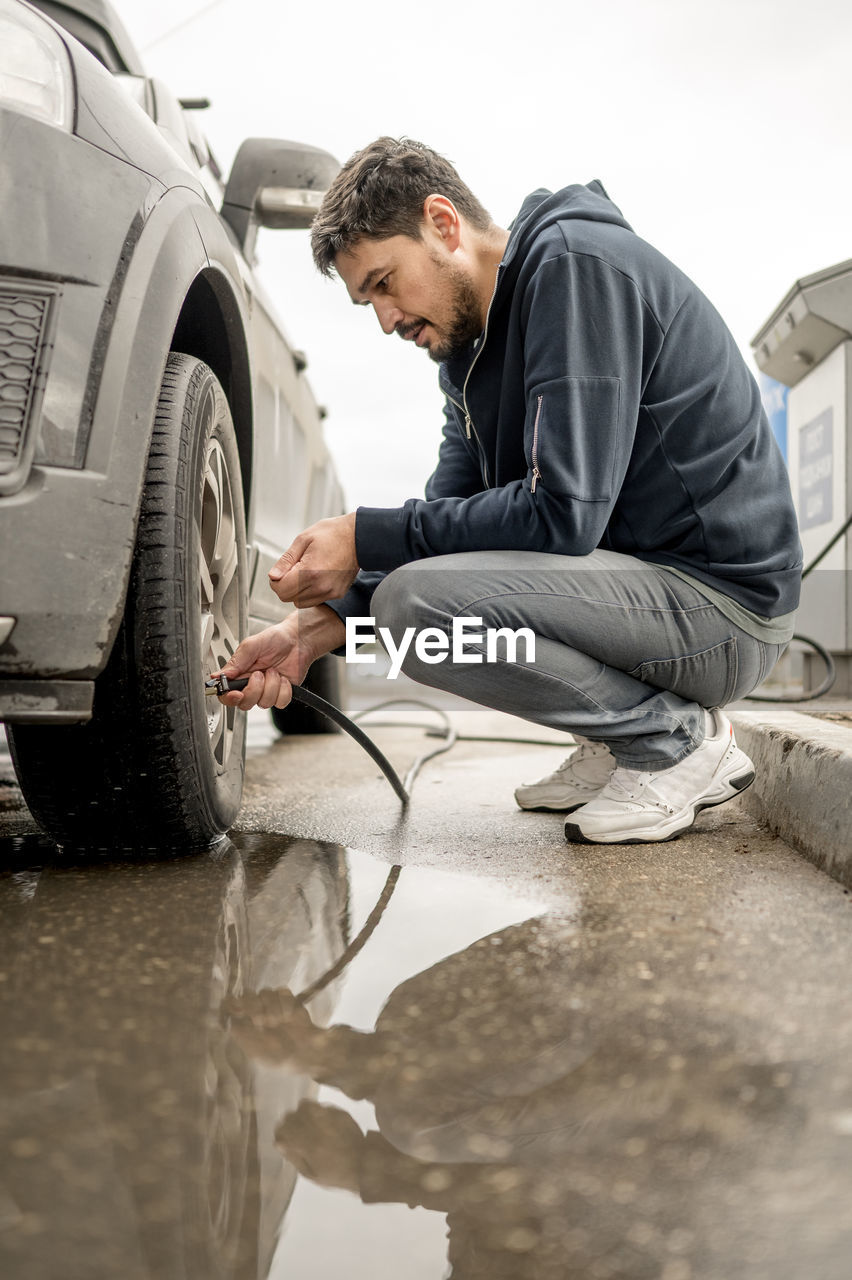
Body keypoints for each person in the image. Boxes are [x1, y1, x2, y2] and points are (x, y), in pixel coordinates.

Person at [217, 137, 802, 844]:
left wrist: (360, 535)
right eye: (365, 300)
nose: (385, 319)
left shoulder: (576, 269)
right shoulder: (465, 358)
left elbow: (565, 514)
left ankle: (671, 745)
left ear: (443, 223)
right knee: (416, 596)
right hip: (647, 601)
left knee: (416, 609)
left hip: (724, 613)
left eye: (383, 282)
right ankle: (613, 744)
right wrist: (313, 631)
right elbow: (440, 537)